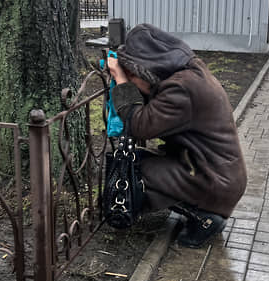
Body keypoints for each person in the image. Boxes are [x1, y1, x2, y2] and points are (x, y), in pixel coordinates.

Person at [106, 24, 247, 248]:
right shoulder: (188, 74)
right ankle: (201, 207)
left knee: (134, 171)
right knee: (140, 161)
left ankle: (206, 218)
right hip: (215, 173)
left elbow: (140, 125)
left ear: (142, 70)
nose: (136, 87)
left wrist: (121, 81)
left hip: (213, 181)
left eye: (133, 78)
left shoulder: (181, 89)